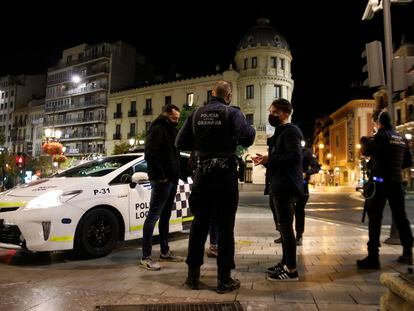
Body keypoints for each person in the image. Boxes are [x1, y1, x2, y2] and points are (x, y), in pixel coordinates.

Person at [176, 80, 255, 293]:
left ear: (212, 93)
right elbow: (247, 137)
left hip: (202, 175)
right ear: (228, 96)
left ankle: (192, 277)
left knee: (199, 225)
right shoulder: (232, 113)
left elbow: (180, 142)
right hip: (225, 176)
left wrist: (201, 146)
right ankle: (224, 279)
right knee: (225, 227)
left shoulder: (196, 114)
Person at [253, 98, 304, 281]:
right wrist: (266, 161)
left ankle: (291, 270)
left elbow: (294, 158)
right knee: (283, 228)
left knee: (286, 228)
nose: (271, 115)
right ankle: (284, 262)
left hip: (285, 186)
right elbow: (280, 160)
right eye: (271, 112)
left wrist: (270, 160)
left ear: (285, 113)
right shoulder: (280, 132)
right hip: (277, 185)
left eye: (274, 112)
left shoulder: (290, 132)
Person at [357, 110, 413, 269]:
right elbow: (407, 162)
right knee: (401, 217)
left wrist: (365, 141)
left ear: (379, 123)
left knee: (375, 219)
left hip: (379, 183)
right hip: (396, 182)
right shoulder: (401, 138)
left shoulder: (380, 136)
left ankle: (373, 257)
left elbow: (366, 151)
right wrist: (393, 169)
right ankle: (408, 252)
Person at [139, 104, 184, 271]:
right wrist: (162, 175)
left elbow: (173, 154)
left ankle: (165, 251)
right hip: (162, 180)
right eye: (173, 118)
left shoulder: (169, 130)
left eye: (177, 119)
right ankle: (145, 256)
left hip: (171, 179)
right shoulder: (157, 129)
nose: (176, 122)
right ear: (165, 116)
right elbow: (150, 154)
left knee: (165, 216)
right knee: (153, 217)